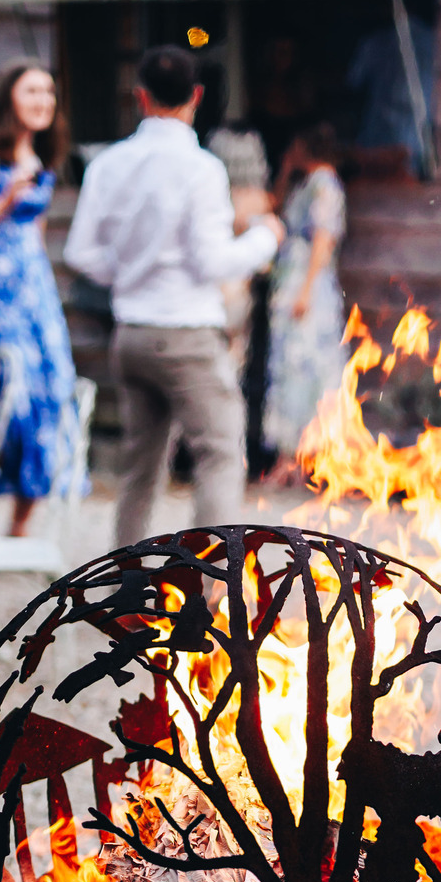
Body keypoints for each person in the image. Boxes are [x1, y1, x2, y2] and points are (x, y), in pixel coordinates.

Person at [63, 45, 285, 547]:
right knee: (220, 454)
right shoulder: (201, 168)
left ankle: (125, 591)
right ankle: (210, 593)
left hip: (133, 335)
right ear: (197, 97)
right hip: (186, 335)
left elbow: (80, 251)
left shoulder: (108, 164)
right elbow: (212, 263)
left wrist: (128, 275)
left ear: (140, 96)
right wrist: (265, 237)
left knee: (139, 469)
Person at [0, 60, 76, 536]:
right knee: (6, 397)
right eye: (31, 92)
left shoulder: (41, 157)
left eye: (48, 92)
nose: (43, 101)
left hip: (34, 291)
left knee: (51, 390)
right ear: (9, 99)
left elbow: (36, 233)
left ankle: (22, 522)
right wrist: (5, 201)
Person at [264, 123, 347, 463]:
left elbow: (322, 240)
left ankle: (306, 454)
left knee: (306, 365)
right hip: (293, 280)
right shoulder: (307, 184)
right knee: (288, 366)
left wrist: (306, 290)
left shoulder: (325, 185)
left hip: (307, 284)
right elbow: (277, 209)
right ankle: (290, 453)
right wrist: (284, 171)